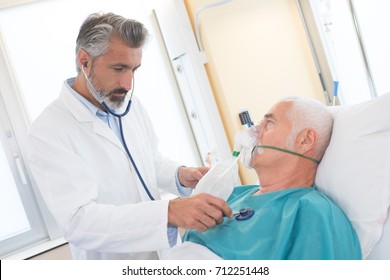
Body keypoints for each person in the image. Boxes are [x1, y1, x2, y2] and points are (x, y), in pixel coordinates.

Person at [27, 12, 232, 260]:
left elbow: (148, 160)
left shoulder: (128, 106)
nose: (127, 83)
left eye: (134, 69)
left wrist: (181, 175)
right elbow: (79, 221)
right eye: (119, 68)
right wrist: (169, 212)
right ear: (84, 61)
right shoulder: (48, 131)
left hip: (166, 256)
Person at [177, 96, 362, 260]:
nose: (253, 131)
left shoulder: (313, 213)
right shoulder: (232, 194)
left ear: (305, 140)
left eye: (269, 124)